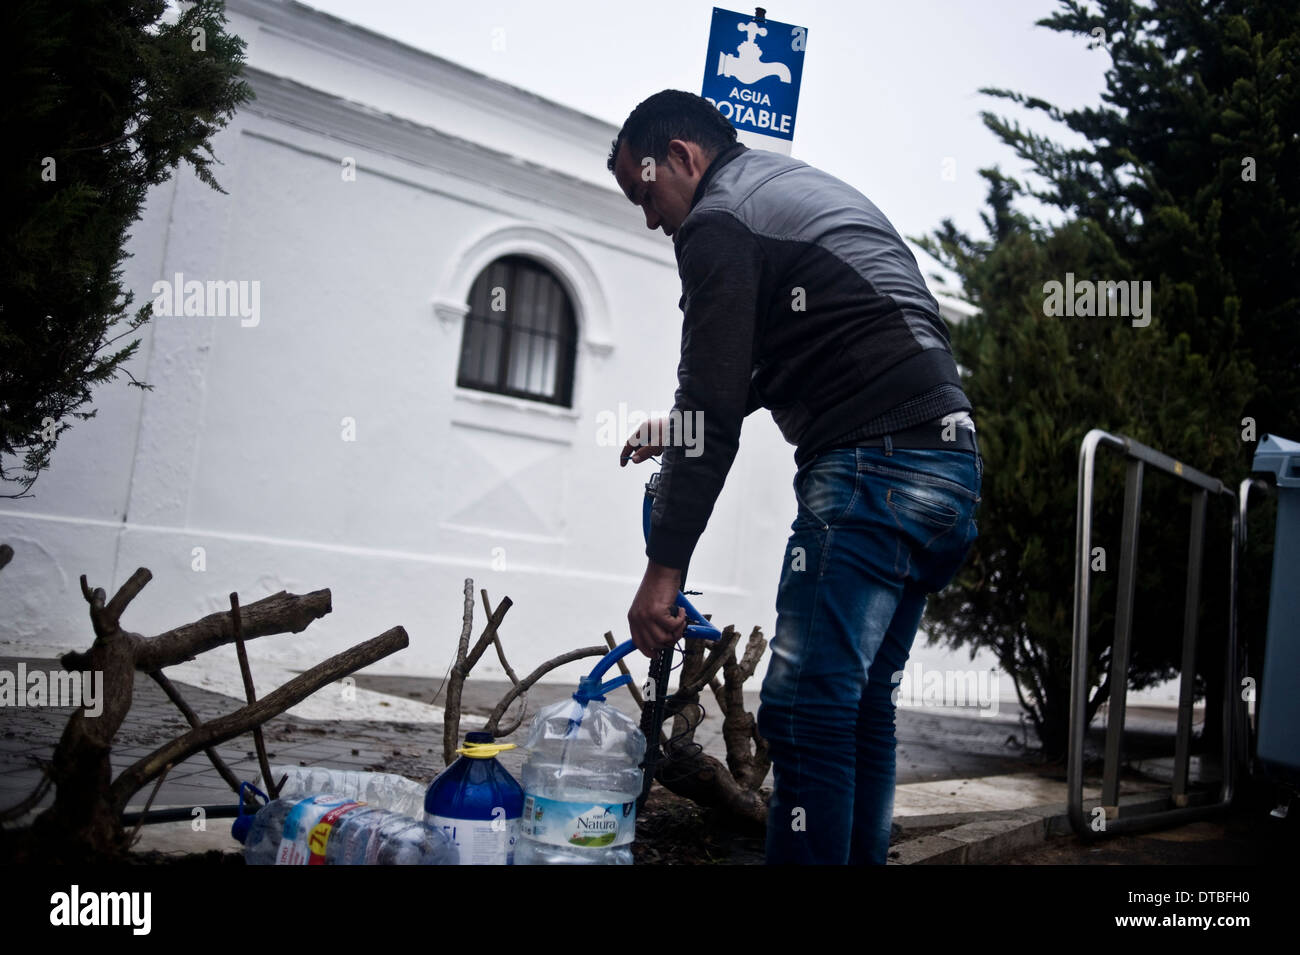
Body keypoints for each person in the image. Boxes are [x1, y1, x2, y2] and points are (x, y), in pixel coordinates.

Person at [610, 89, 982, 865]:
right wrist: (677, 423)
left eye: (646, 194)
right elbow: (794, 346)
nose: (651, 218)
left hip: (874, 468)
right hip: (946, 467)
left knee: (806, 709)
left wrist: (661, 575)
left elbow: (709, 406)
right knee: (856, 707)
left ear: (682, 157)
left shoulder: (720, 217)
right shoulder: (789, 190)